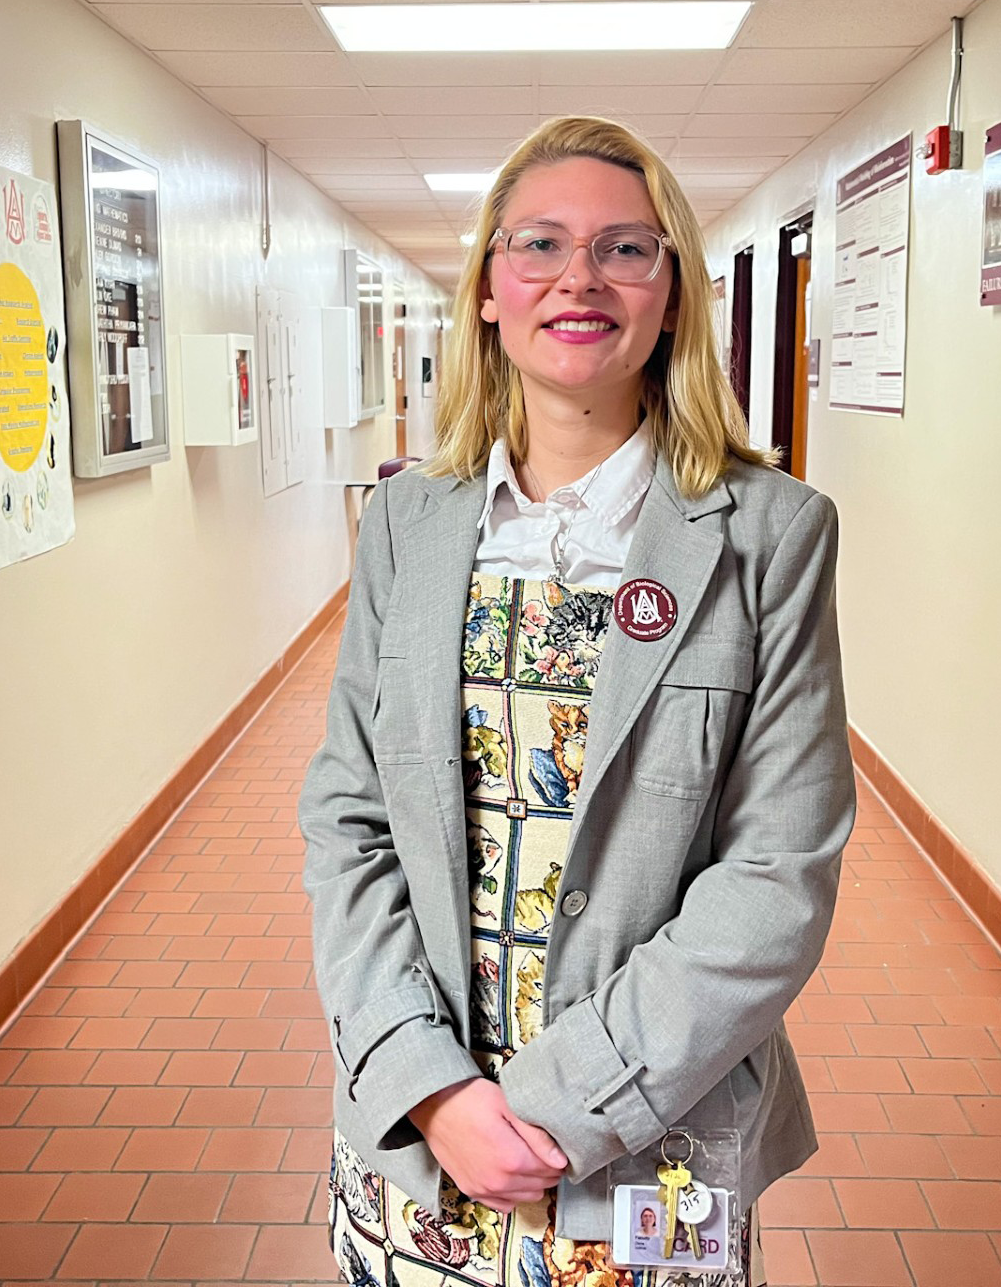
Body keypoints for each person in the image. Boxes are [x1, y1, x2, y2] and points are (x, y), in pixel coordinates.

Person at [300, 114, 855, 1287]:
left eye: (626, 249)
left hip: (650, 1119)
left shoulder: (770, 538)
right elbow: (349, 820)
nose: (579, 279)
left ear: (672, 296)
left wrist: (562, 1104)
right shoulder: (408, 523)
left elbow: (777, 879)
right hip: (423, 1129)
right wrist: (431, 1085)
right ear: (490, 293)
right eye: (539, 245)